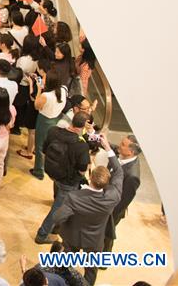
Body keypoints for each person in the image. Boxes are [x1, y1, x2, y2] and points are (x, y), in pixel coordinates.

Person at [52, 134, 123, 285]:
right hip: (95, 241)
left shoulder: (74, 197)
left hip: (72, 237)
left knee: (64, 265)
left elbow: (57, 218)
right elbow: (119, 171)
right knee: (91, 271)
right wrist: (108, 148)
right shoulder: (113, 196)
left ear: (91, 178)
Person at [34, 112, 95, 244]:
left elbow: (43, 150)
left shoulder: (53, 131)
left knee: (58, 200)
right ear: (84, 125)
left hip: (53, 173)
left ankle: (55, 228)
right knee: (57, 209)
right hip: (68, 181)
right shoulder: (81, 145)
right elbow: (82, 169)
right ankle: (42, 234)